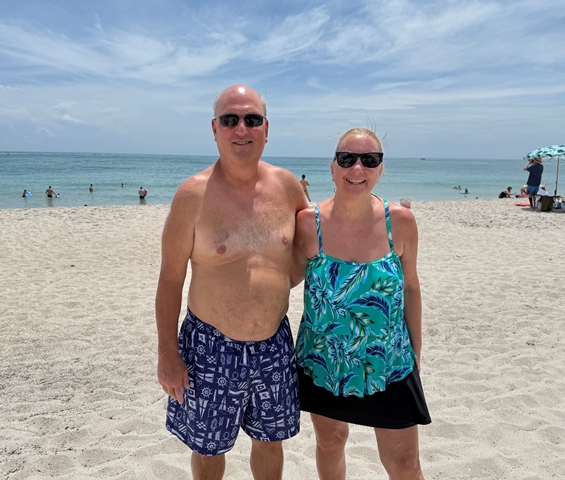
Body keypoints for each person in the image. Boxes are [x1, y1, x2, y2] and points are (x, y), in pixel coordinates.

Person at [156, 84, 308, 480]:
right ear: (215, 128)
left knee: (271, 442)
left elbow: (314, 245)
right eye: (230, 119)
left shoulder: (287, 187)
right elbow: (170, 278)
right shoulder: (192, 195)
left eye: (252, 119)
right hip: (209, 347)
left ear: (266, 128)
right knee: (208, 450)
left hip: (274, 344)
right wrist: (167, 354)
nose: (241, 128)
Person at [292, 127, 431, 479]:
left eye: (369, 160)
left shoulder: (400, 221)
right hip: (323, 362)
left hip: (389, 363)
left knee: (405, 464)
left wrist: (415, 351)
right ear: (332, 168)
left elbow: (411, 287)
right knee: (330, 442)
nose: (357, 168)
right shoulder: (308, 223)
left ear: (380, 170)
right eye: (347, 159)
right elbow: (279, 279)